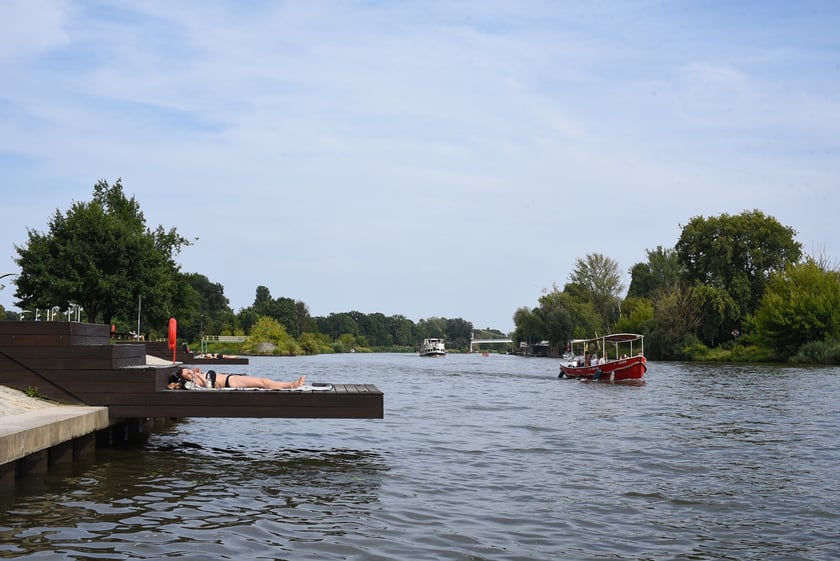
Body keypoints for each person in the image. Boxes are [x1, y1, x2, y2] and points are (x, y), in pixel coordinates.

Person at [168, 366, 306, 390]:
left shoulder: (197, 376)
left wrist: (200, 374)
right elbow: (210, 387)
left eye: (189, 371)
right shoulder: (195, 382)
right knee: (263, 382)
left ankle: (290, 384)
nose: (190, 373)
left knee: (262, 381)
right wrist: (200, 376)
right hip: (230, 382)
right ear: (185, 379)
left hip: (231, 378)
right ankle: (291, 385)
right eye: (187, 374)